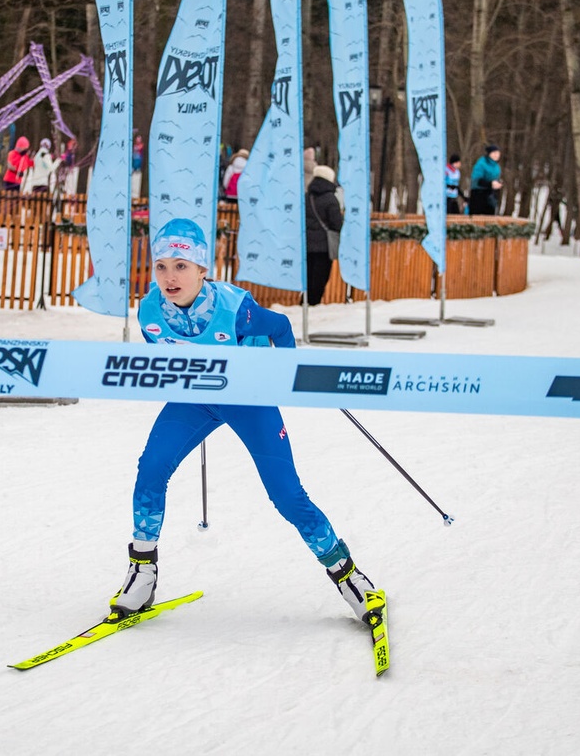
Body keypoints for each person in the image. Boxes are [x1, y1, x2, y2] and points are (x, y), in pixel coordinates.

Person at [109, 217, 381, 629]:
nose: (169, 276)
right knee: (150, 469)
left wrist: (281, 378)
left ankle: (348, 575)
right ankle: (142, 572)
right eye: (161, 266)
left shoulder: (236, 311)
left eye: (181, 266)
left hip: (248, 400)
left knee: (286, 495)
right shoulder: (148, 310)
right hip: (194, 401)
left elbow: (282, 328)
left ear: (204, 270)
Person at [305, 164, 343, 306]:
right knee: (320, 277)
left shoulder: (306, 197)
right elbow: (336, 224)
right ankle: (314, 303)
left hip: (307, 244)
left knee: (309, 275)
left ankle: (306, 302)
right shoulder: (330, 199)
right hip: (324, 246)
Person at [468, 144, 502, 215]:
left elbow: (496, 178)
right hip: (478, 194)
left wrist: (498, 184)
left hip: (490, 195)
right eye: (494, 153)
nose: (497, 155)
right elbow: (476, 180)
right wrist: (490, 184)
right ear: (489, 154)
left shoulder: (497, 166)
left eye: (498, 153)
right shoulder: (481, 163)